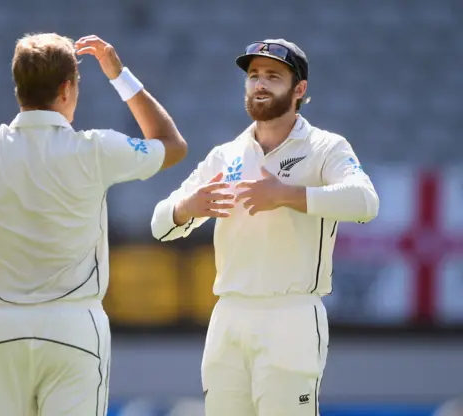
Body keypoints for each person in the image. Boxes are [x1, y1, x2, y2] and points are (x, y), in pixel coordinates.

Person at [0, 33, 187, 416]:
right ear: (67, 90)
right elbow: (172, 144)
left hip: (6, 330)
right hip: (76, 328)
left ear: (19, 90)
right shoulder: (96, 149)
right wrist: (120, 76)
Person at [150, 39, 379, 415]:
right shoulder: (226, 154)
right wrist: (185, 208)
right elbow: (160, 225)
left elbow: (365, 202)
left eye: (273, 76)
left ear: (299, 89)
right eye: (254, 76)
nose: (260, 84)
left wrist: (287, 195)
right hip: (228, 315)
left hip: (292, 314)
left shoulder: (325, 147)